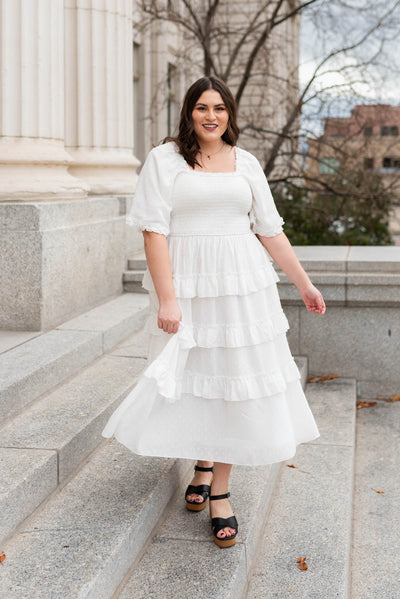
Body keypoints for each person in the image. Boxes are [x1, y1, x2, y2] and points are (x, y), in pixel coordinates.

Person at [102, 76, 326, 549]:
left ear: (230, 114)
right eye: (202, 107)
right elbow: (152, 232)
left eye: (220, 108)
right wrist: (167, 298)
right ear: (189, 112)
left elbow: (270, 230)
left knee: (234, 377)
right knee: (198, 376)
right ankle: (202, 463)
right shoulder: (165, 160)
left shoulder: (245, 162)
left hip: (243, 284)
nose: (211, 116)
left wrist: (304, 283)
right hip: (187, 282)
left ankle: (219, 488)